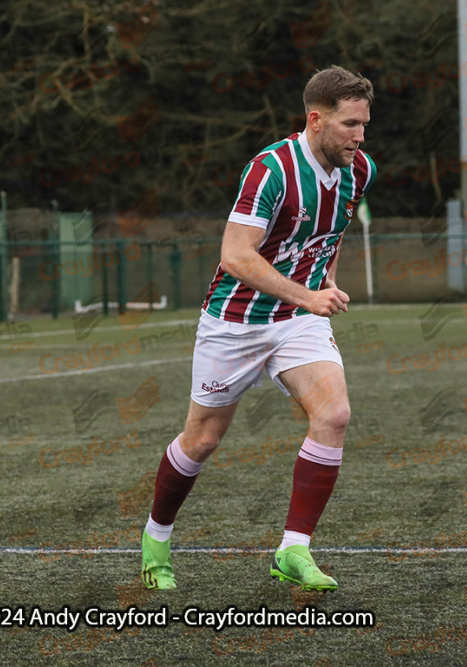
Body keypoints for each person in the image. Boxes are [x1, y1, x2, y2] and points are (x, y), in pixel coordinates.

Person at [140, 66, 376, 591]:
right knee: (202, 440)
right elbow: (234, 256)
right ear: (315, 120)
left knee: (334, 414)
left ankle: (294, 550)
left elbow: (330, 234)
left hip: (297, 322)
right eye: (350, 125)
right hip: (234, 324)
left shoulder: (359, 171)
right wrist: (309, 294)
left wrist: (324, 283)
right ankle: (156, 536)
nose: (360, 136)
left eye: (364, 124)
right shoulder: (271, 170)